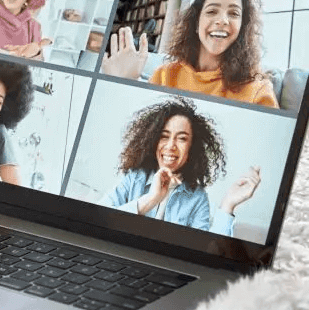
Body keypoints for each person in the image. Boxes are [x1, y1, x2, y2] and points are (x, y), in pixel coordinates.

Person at [102, 0, 279, 108]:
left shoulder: (258, 91)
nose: (222, 20)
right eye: (212, 11)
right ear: (195, 23)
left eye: (234, 13)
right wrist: (125, 83)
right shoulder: (165, 75)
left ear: (242, 28)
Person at [101, 96, 261, 236]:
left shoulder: (197, 198)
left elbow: (208, 252)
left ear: (192, 147)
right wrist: (150, 200)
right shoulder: (134, 178)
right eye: (164, 136)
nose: (171, 145)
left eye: (182, 138)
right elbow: (99, 218)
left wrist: (228, 205)